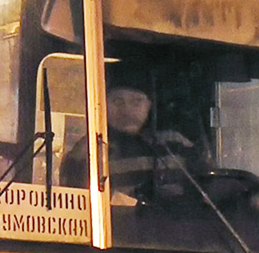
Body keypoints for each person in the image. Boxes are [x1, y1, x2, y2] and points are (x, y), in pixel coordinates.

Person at [60, 83, 198, 203]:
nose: (126, 111)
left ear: (149, 105)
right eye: (117, 101)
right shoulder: (88, 150)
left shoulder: (175, 144)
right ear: (102, 104)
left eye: (136, 101)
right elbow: (75, 205)